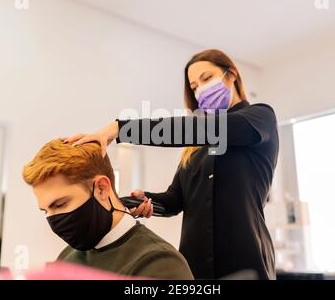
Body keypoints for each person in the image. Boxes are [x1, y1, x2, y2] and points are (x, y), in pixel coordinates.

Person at [64, 49, 279, 279]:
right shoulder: (195, 149)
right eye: (194, 87)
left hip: (245, 260)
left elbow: (207, 130)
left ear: (232, 75)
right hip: (194, 266)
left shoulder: (259, 118)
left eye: (206, 78)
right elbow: (175, 200)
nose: (200, 91)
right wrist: (144, 201)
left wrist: (119, 129)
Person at [22, 139, 193, 280]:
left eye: (60, 205)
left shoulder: (159, 263)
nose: (54, 221)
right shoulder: (66, 258)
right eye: (46, 211)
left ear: (102, 189)